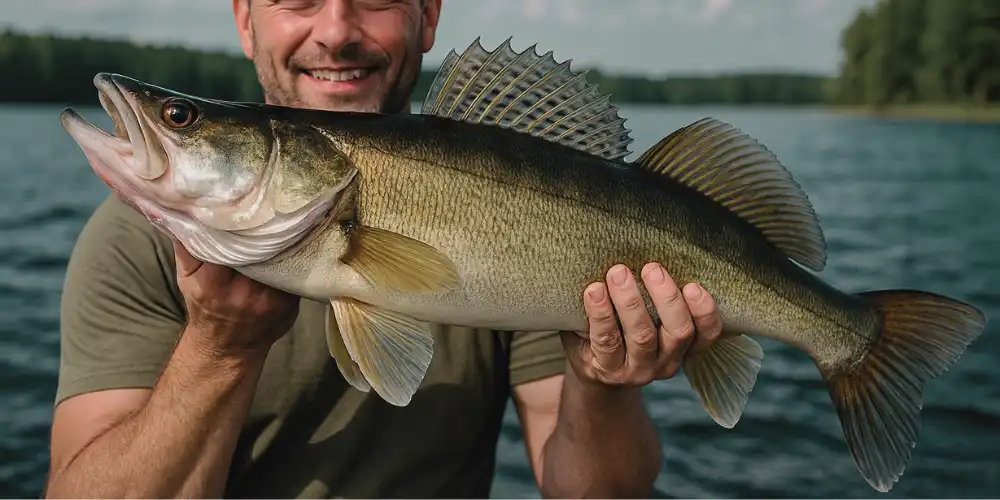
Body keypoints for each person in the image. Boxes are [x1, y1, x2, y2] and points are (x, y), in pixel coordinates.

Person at [44, 0, 723, 497]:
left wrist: (603, 384)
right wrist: (220, 344)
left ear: (428, 17)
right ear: (245, 20)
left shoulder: (522, 205)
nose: (336, 31)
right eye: (297, 0)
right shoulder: (132, 243)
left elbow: (595, 493)